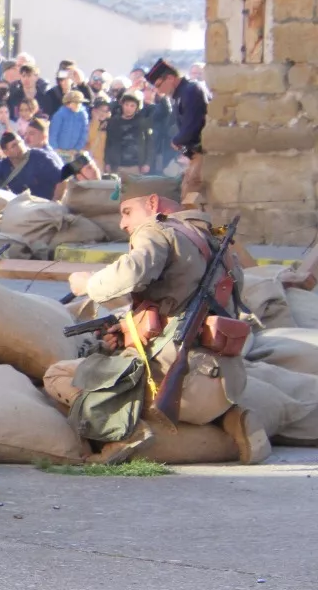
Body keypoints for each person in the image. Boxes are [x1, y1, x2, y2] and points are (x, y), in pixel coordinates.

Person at [63, 184, 248, 463]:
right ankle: (231, 424)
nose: (123, 223)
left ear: (152, 203)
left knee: (60, 375)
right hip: (228, 384)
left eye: (127, 212)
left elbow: (133, 271)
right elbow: (178, 307)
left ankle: (129, 438)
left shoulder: (158, 230)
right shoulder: (216, 243)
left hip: (180, 379)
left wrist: (88, 284)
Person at [147, 58, 207, 204]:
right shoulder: (181, 94)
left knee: (190, 196)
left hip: (202, 152)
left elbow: (193, 124)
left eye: (159, 85)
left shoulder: (191, 91)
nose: (159, 91)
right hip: (193, 153)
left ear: (170, 78)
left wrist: (178, 140)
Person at [0, 130, 63, 199]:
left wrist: (55, 202)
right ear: (6, 152)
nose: (19, 146)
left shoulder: (39, 157)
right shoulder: (4, 165)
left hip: (47, 205)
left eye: (20, 142)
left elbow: (62, 179)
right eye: (14, 145)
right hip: (25, 208)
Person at [104, 91, 152, 174]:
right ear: (122, 105)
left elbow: (149, 144)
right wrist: (107, 162)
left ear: (137, 107)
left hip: (136, 166)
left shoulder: (142, 122)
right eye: (126, 105)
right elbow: (108, 143)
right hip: (117, 165)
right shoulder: (114, 121)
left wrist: (147, 163)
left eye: (132, 106)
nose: (128, 108)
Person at [86, 94, 111, 172]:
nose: (103, 113)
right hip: (87, 163)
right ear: (94, 110)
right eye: (101, 110)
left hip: (101, 165)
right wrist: (95, 120)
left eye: (106, 111)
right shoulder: (87, 124)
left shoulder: (109, 126)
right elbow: (89, 139)